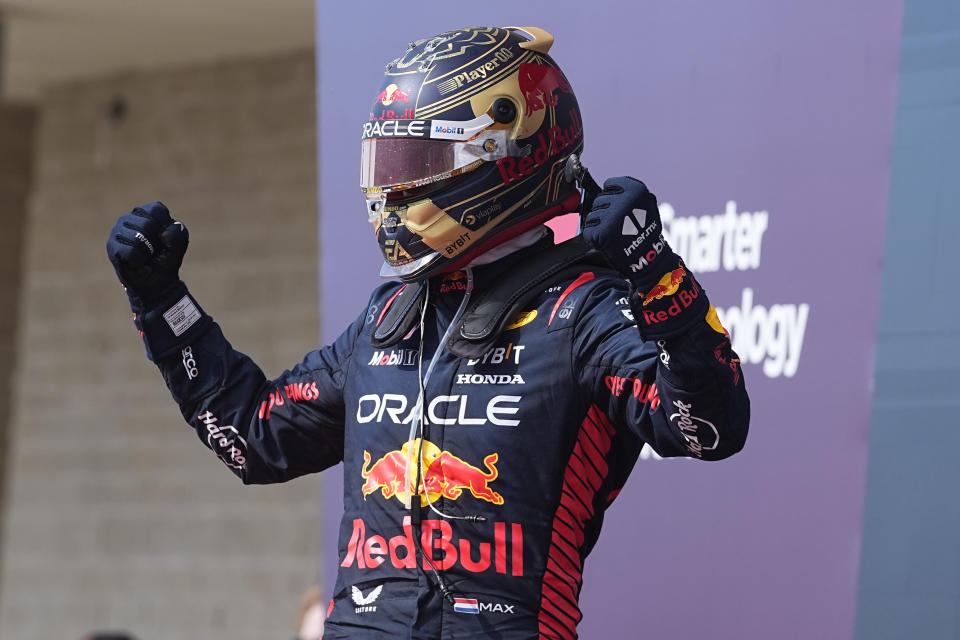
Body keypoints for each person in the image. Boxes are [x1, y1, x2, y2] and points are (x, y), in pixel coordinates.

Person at [107, 26, 749, 640]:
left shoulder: (583, 309)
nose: (394, 185)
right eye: (390, 158)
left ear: (505, 154)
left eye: (419, 159)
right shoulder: (389, 316)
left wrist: (655, 271)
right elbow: (252, 438)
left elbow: (709, 426)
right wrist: (163, 302)